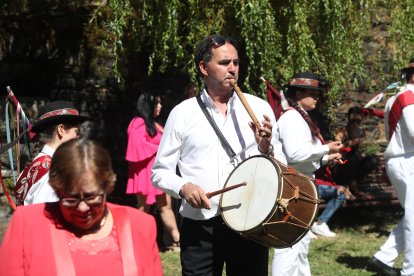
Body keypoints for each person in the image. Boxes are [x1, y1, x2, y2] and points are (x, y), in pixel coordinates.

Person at [152, 34, 286, 276]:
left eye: (235, 62)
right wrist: (184, 187)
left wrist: (265, 148)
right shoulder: (183, 113)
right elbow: (159, 172)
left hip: (250, 222)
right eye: (224, 63)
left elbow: (280, 168)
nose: (232, 69)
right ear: (204, 68)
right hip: (200, 225)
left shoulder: (259, 108)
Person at [0, 138, 163, 276]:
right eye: (71, 198)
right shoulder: (27, 223)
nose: (83, 208)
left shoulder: (140, 225)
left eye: (92, 197)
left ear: (107, 187)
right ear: (57, 190)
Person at [272, 72, 343, 275]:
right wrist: (325, 149)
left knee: (300, 247)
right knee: (288, 247)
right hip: (292, 187)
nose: (316, 97)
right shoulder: (292, 117)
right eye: (312, 93)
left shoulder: (300, 117)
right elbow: (295, 154)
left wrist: (325, 159)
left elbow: (303, 156)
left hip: (301, 185)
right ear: (299, 93)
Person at [367, 59, 414, 276]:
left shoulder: (396, 98)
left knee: (412, 216)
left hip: (402, 159)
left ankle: (383, 258)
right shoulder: (408, 97)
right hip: (408, 160)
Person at [125, 92, 180, 250]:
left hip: (157, 171)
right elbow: (137, 146)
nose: (160, 106)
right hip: (144, 173)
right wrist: (161, 148)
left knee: (165, 206)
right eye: (157, 103)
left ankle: (177, 239)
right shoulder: (138, 123)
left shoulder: (154, 124)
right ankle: (135, 240)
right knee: (143, 208)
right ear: (148, 105)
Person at [14, 100, 88, 205]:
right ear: (61, 130)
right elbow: (45, 216)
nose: (78, 137)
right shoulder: (53, 171)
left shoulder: (37, 162)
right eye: (76, 132)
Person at [333, 106, 383, 194]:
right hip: (342, 167)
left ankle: (353, 181)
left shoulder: (360, 132)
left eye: (358, 121)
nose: (355, 123)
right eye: (352, 121)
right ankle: (348, 184)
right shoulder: (343, 132)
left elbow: (363, 149)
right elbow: (335, 147)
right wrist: (349, 143)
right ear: (348, 119)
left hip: (354, 166)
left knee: (372, 160)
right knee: (353, 157)